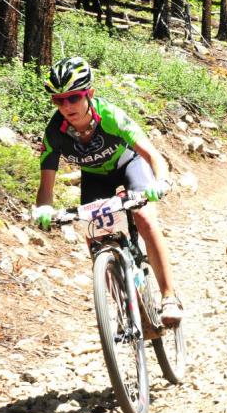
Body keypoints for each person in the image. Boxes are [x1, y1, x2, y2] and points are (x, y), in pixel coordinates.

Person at [32, 56, 183, 325]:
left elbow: (152, 155)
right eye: (58, 100)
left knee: (144, 218)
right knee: (95, 238)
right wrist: (43, 209)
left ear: (89, 94)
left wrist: (161, 181)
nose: (66, 106)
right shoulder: (54, 133)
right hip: (95, 177)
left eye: (73, 97)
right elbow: (46, 186)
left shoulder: (110, 116)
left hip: (130, 165)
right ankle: (126, 309)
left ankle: (169, 296)